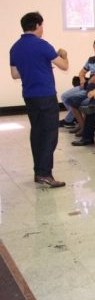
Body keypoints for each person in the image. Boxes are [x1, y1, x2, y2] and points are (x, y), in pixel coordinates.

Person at [9, 11, 69, 188]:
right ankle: (45, 173)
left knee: (37, 132)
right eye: (42, 25)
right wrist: (64, 55)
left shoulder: (15, 47)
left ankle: (38, 171)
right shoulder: (43, 45)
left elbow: (14, 74)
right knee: (50, 134)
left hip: (29, 95)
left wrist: (32, 69)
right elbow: (64, 65)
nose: (42, 29)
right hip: (46, 95)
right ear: (36, 26)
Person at [59, 38, 95, 127]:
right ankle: (74, 118)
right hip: (86, 84)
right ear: (93, 46)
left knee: (74, 100)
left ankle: (69, 120)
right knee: (64, 96)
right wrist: (82, 79)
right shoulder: (91, 59)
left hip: (94, 86)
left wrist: (87, 83)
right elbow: (82, 72)